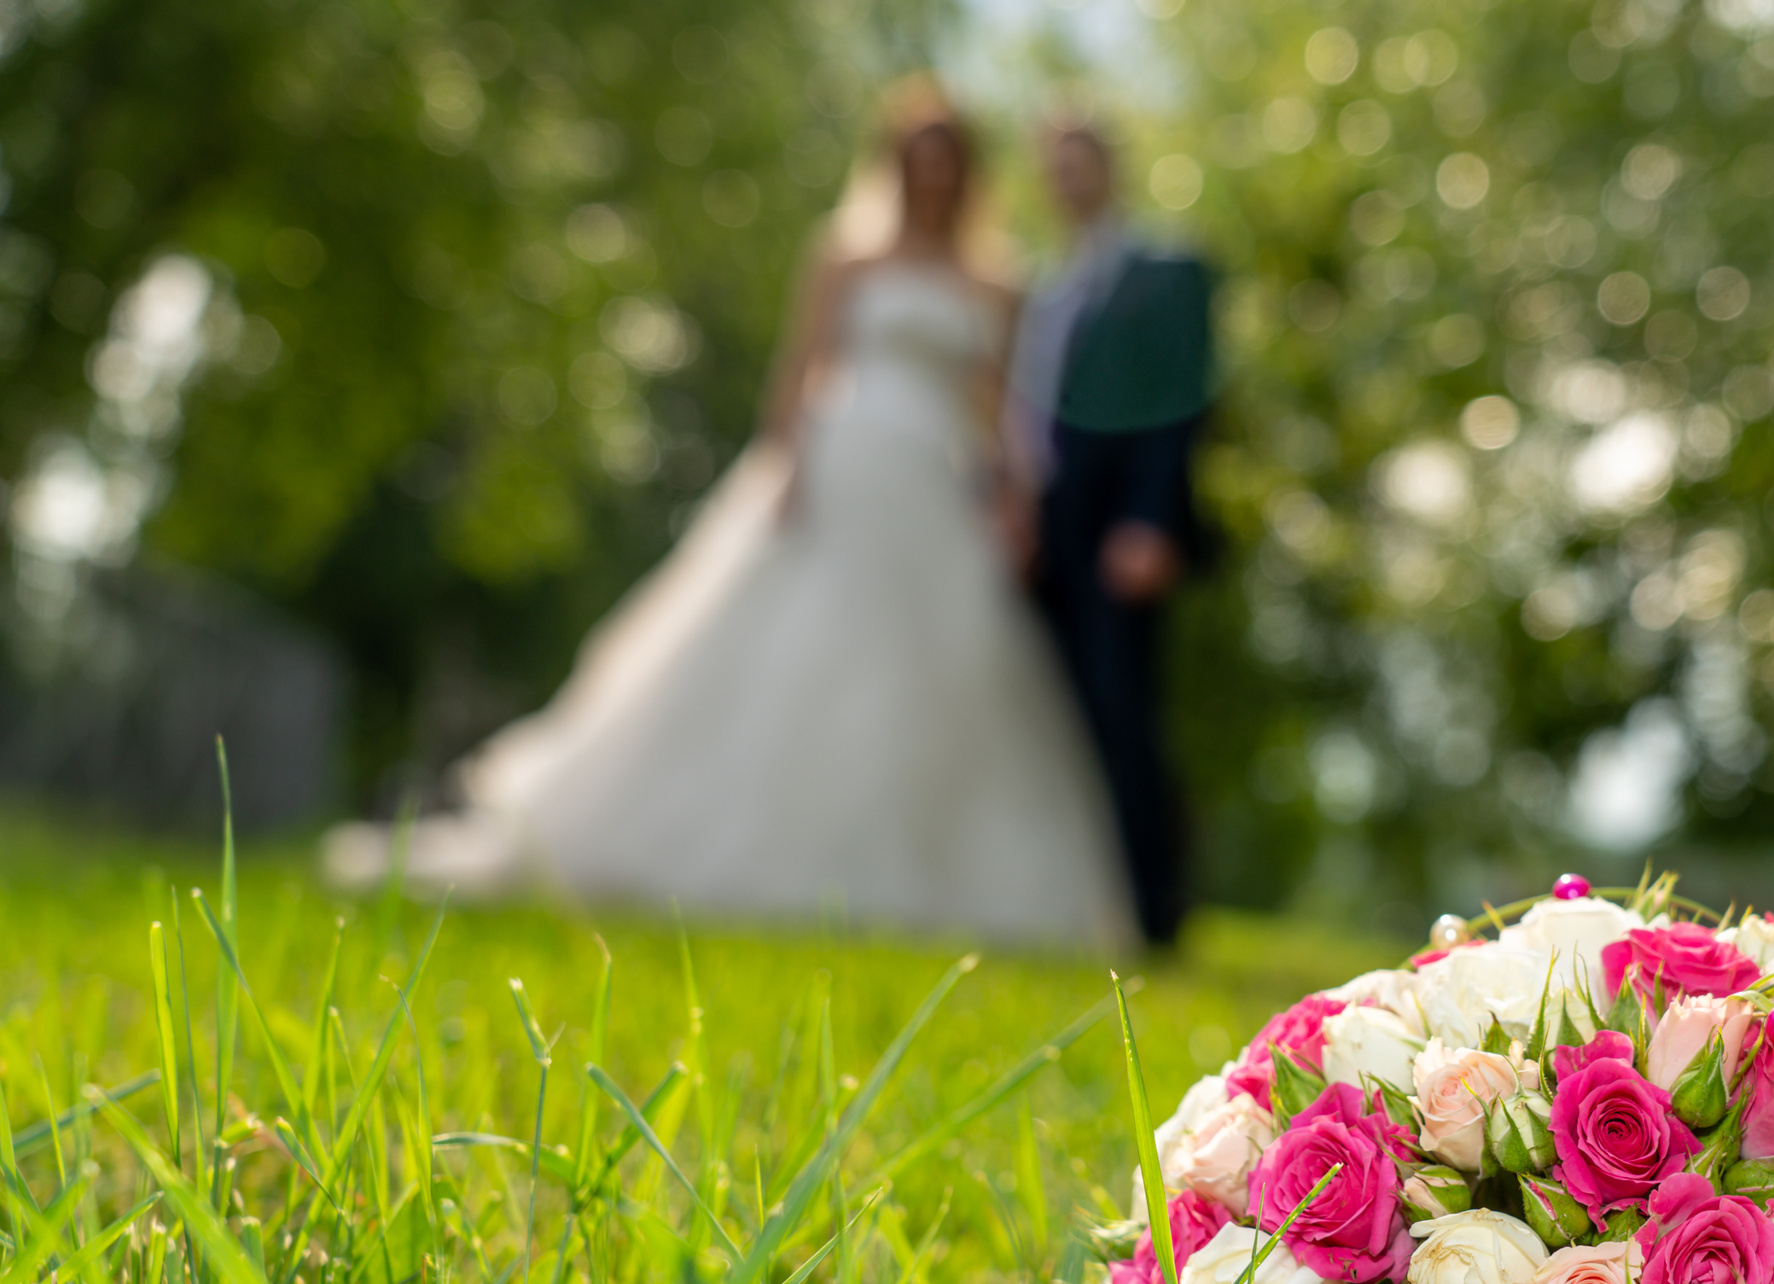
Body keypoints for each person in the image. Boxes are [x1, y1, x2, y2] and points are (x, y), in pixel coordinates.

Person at [322, 87, 1136, 946]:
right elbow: (803, 368)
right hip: (847, 459)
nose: (931, 168)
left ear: (967, 168)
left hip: (936, 488)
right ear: (895, 160)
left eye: (947, 152)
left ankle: (926, 878)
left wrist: (1014, 499)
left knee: (945, 667)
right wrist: (785, 465)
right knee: (801, 648)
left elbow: (997, 406)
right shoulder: (848, 256)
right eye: (918, 150)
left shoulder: (995, 280)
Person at [1012, 118, 1215, 948]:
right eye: (1054, 166)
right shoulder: (1043, 287)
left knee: (1125, 709)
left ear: (1110, 167)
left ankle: (1156, 909)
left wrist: (1151, 519)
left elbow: (1182, 404)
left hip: (1120, 537)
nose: (1068, 179)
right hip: (1049, 533)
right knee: (1061, 712)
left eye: (1080, 162)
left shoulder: (1166, 270)